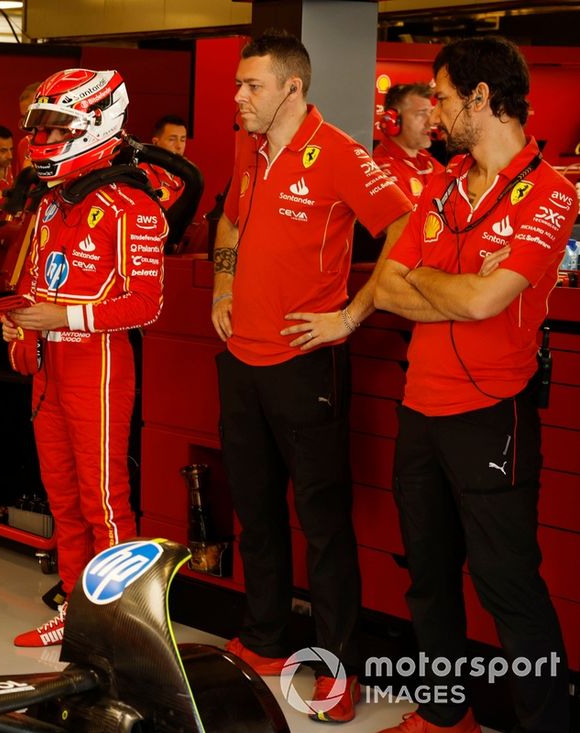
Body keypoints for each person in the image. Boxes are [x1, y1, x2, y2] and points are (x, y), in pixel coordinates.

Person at [209, 30, 411, 722]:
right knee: (256, 511)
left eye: (251, 86)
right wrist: (220, 290)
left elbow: (405, 229)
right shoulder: (248, 146)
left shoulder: (339, 153)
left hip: (306, 362)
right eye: (238, 84)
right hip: (242, 360)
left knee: (322, 523)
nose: (238, 97)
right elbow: (230, 225)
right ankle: (265, 637)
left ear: (292, 88)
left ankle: (338, 668)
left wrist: (351, 316)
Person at [375, 37, 574, 733]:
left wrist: (434, 284)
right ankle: (442, 713)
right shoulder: (441, 179)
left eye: (444, 97)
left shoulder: (550, 190)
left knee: (508, 586)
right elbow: (388, 285)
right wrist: (452, 288)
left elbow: (488, 303)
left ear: (482, 99)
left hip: (494, 414)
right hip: (419, 408)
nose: (434, 111)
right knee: (428, 576)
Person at [2, 68, 166, 647]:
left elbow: (147, 304)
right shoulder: (50, 203)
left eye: (56, 128)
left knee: (105, 500)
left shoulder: (133, 205)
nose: (43, 141)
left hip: (98, 365)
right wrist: (19, 318)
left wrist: (63, 318)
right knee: (62, 497)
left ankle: (127, 622)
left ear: (97, 125)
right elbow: (38, 280)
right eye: (39, 128)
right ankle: (77, 608)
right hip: (49, 366)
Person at [373, 82, 442, 201]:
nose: (430, 121)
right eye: (421, 114)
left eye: (430, 113)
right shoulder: (380, 170)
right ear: (393, 120)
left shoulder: (428, 161)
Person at [139, 114, 189, 206]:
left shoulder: (187, 174)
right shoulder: (140, 173)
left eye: (182, 140)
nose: (179, 146)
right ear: (155, 142)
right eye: (172, 139)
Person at [15, 81, 40, 172]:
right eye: (24, 117)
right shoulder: (24, 144)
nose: (27, 124)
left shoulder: (64, 142)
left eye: (30, 115)